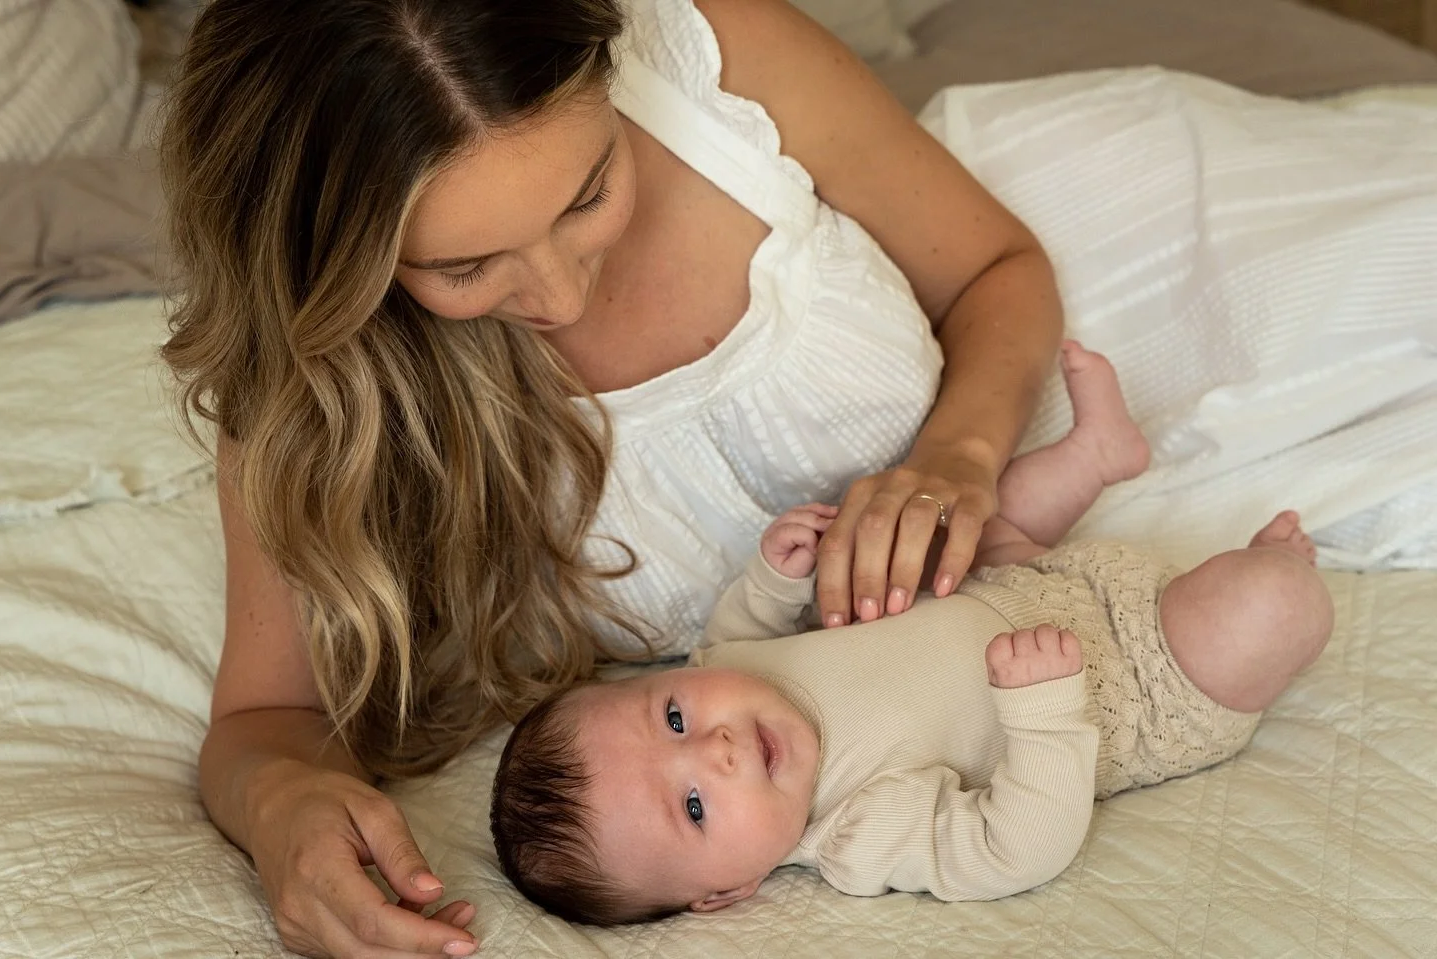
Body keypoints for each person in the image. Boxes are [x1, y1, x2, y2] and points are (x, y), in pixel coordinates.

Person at [158, 0, 1064, 955]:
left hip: (1036, 483)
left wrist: (957, 454)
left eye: (588, 193)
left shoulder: (714, 55)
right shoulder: (319, 389)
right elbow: (268, 717)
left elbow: (996, 268)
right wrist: (281, 803)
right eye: (464, 264)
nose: (559, 296)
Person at [489, 342, 1334, 924]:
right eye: (696, 806)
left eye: (671, 716)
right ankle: (1277, 573)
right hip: (1135, 678)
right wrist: (1041, 716)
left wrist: (775, 574)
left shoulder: (729, 663)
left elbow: (737, 625)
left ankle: (1099, 453)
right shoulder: (856, 832)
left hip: (1015, 578)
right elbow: (1013, 852)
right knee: (1263, 607)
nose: (712, 746)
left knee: (979, 514)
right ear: (727, 890)